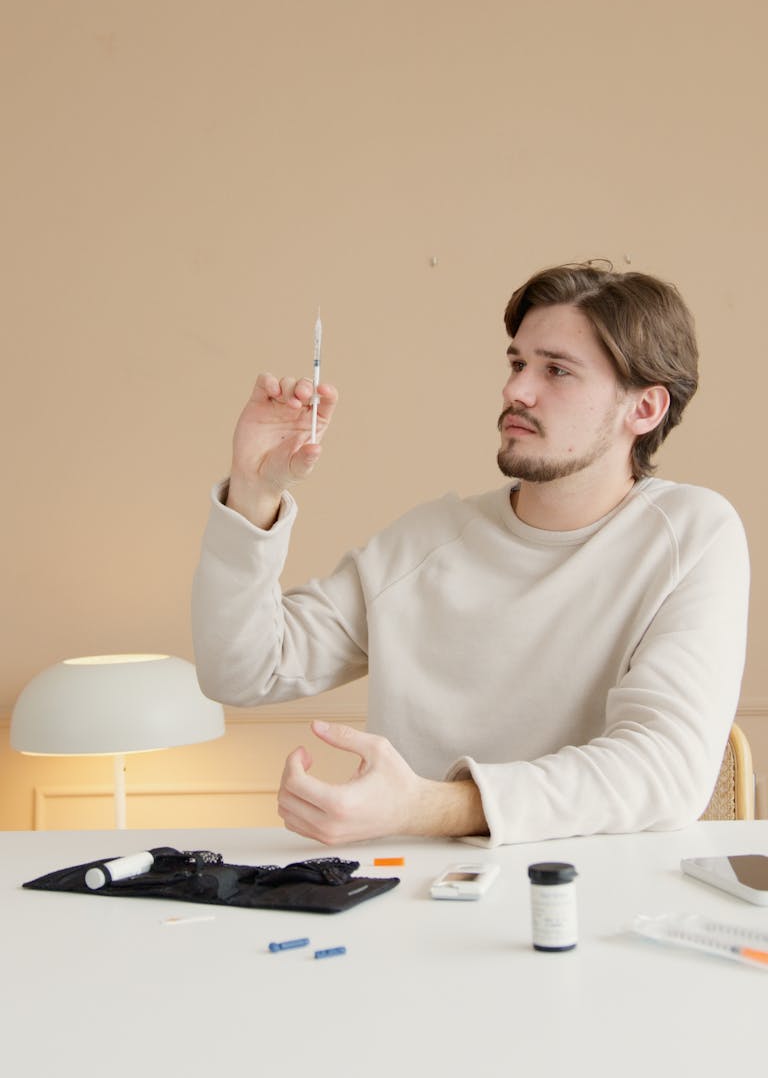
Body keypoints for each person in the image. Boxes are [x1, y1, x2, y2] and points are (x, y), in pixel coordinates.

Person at [191, 262, 750, 847]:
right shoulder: (427, 542)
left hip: (595, 907)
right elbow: (242, 671)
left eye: (557, 370)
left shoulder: (691, 533)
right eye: (517, 363)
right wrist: (255, 488)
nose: (516, 390)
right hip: (415, 901)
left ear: (645, 409)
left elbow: (662, 770)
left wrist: (429, 807)